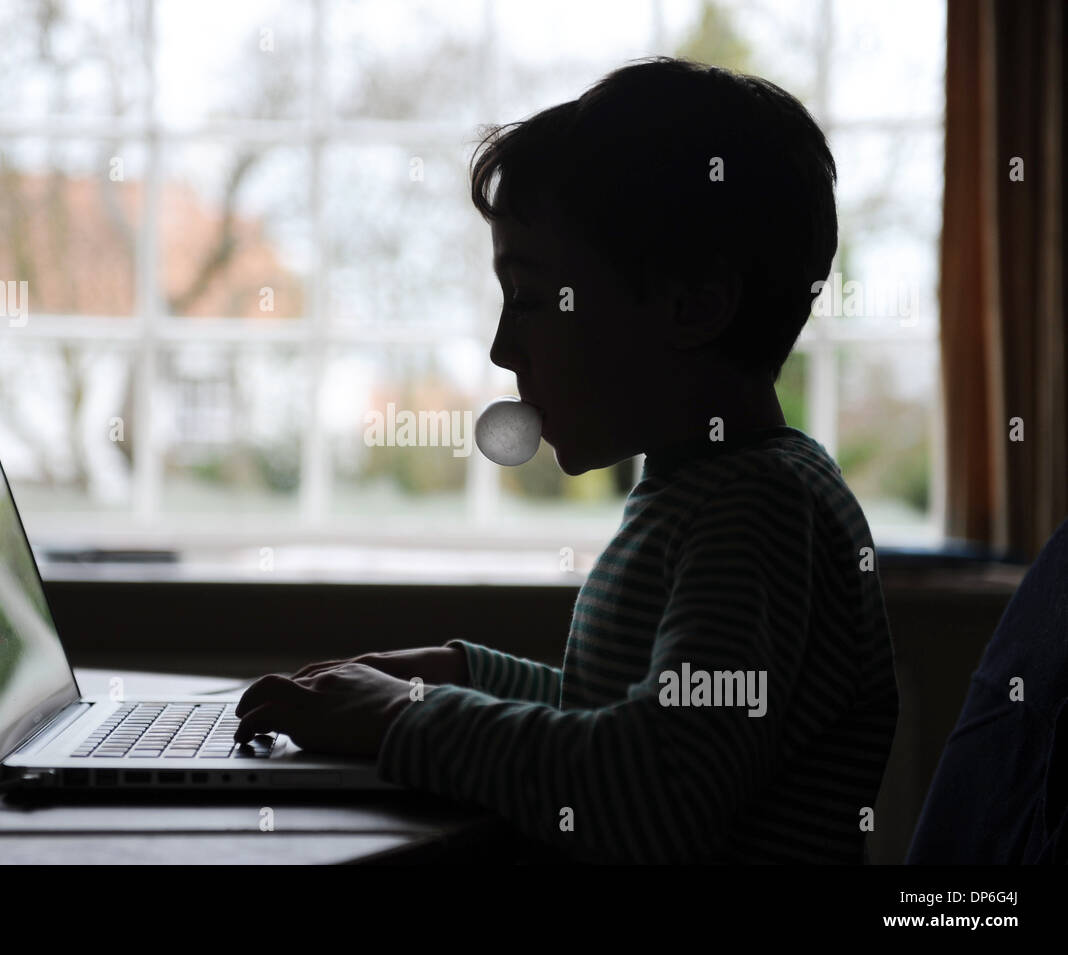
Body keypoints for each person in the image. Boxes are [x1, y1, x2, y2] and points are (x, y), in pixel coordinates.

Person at [234, 56, 900, 864]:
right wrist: (457, 672)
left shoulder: (754, 513)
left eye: (536, 297)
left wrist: (400, 718)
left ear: (693, 305)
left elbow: (654, 789)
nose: (503, 347)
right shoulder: (710, 488)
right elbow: (616, 716)